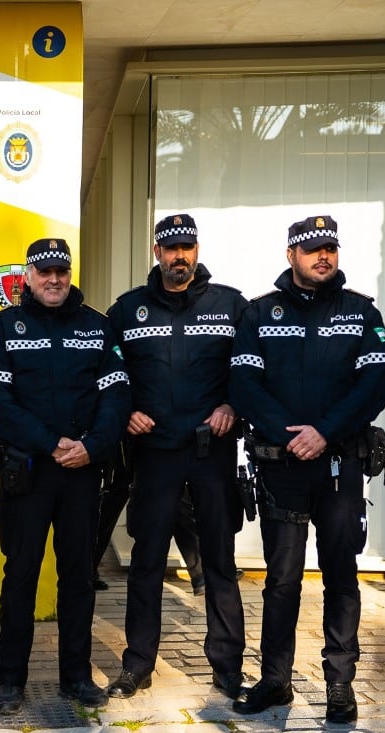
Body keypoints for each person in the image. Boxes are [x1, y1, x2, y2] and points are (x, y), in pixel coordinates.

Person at [229, 215, 385, 724]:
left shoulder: (362, 313)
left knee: (342, 575)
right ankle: (275, 681)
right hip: (282, 469)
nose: (323, 256)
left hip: (341, 466)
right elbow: (245, 387)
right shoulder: (259, 314)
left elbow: (374, 386)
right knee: (281, 581)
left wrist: (322, 432)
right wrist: (289, 436)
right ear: (290, 254)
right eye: (312, 248)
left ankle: (340, 686)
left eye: (330, 248)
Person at [0, 237, 130, 715]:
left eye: (61, 270)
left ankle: (76, 677)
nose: (54, 279)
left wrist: (92, 446)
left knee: (79, 577)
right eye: (44, 271)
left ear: (69, 273)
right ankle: (10, 681)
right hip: (28, 472)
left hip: (83, 472)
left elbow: (117, 397)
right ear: (27, 277)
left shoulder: (97, 327)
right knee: (20, 575)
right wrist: (51, 443)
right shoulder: (1, 329)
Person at [104, 214, 248, 701]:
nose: (179, 255)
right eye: (171, 247)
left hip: (212, 452)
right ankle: (137, 665)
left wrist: (233, 405)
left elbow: (250, 370)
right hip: (155, 455)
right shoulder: (127, 310)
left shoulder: (230, 305)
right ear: (156, 251)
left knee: (220, 562)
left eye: (187, 246)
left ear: (197, 249)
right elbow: (107, 376)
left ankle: (227, 667)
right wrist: (125, 412)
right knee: (146, 562)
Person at [93, 449, 206, 594]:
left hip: (142, 446)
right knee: (111, 504)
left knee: (112, 503)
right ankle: (200, 574)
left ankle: (200, 573)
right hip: (135, 446)